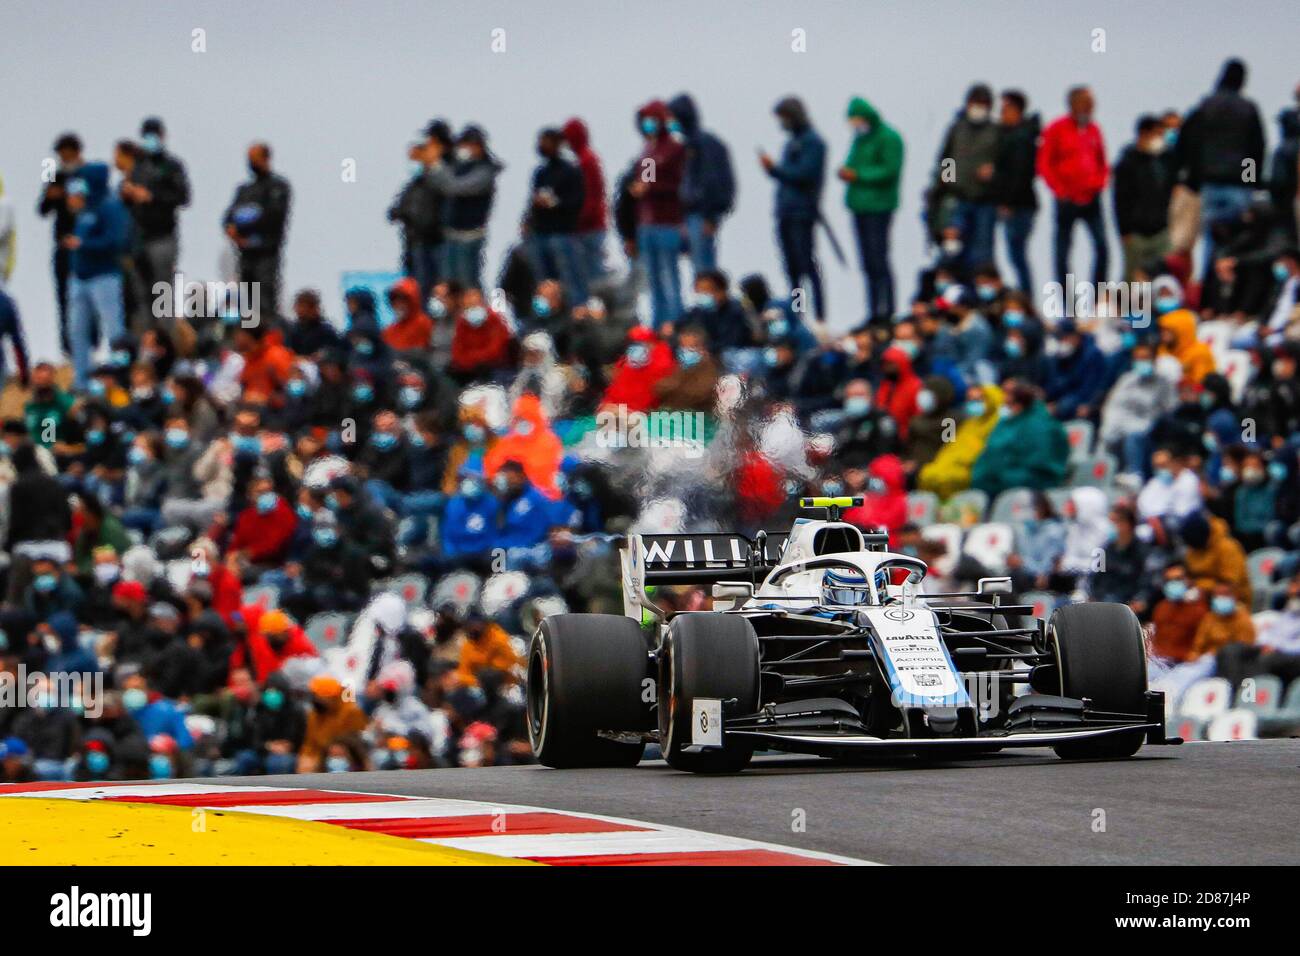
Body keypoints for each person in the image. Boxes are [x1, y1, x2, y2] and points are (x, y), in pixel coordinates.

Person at [1177, 58, 1267, 279]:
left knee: (1211, 238)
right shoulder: (1248, 109)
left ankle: (1210, 287)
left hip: (1211, 182)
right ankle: (1233, 289)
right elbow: (1255, 148)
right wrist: (1250, 180)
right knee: (1239, 238)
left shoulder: (1205, 106)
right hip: (1238, 183)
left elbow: (1189, 143)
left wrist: (1194, 177)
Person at [62, 162, 131, 388]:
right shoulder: (85, 208)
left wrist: (84, 244)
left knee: (114, 331)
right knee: (77, 331)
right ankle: (81, 380)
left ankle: (120, 377)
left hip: (104, 277)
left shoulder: (110, 206)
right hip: (80, 277)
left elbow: (116, 241)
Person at [117, 118, 190, 323]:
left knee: (162, 292)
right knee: (140, 294)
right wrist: (127, 193)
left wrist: (152, 196)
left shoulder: (172, 166)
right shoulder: (138, 167)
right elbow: (123, 197)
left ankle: (166, 339)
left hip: (163, 237)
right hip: (138, 238)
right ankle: (147, 341)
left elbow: (183, 197)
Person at [761, 96, 827, 321]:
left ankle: (819, 315)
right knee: (792, 269)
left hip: (802, 211)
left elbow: (805, 174)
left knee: (806, 264)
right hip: (786, 211)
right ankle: (799, 312)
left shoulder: (813, 142)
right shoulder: (791, 143)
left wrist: (776, 170)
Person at [839, 96, 904, 323]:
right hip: (859, 206)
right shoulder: (860, 139)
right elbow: (852, 163)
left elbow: (889, 170)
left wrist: (859, 175)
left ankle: (887, 309)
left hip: (879, 207)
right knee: (866, 262)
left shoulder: (889, 138)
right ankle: (873, 311)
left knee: (879, 260)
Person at [1038, 86, 1109, 289]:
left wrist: (1099, 183)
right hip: (1066, 200)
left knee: (1102, 248)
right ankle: (1068, 304)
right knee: (1062, 253)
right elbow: (1044, 164)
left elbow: (1102, 162)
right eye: (1086, 104)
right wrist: (1060, 191)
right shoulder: (1056, 129)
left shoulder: (1094, 130)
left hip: (1091, 199)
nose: (1090, 108)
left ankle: (1098, 297)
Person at [630, 102, 687, 330]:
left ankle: (675, 322)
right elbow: (648, 181)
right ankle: (657, 323)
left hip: (668, 222)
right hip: (647, 223)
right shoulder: (648, 151)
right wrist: (642, 188)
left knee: (669, 276)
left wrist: (650, 188)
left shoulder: (674, 149)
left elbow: (678, 184)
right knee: (652, 279)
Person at [933, 84, 1001, 272]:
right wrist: (948, 182)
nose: (978, 108)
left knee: (982, 254)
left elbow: (1004, 163)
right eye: (975, 102)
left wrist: (993, 173)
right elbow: (946, 157)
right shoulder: (957, 128)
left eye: (983, 103)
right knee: (951, 250)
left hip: (985, 200)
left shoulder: (996, 131)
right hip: (957, 198)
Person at [667, 93, 736, 274]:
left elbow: (710, 182)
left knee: (703, 271)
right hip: (690, 216)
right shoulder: (688, 145)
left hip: (700, 215)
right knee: (699, 267)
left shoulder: (701, 144)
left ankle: (709, 301)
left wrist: (710, 217)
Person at [222, 142, 291, 322]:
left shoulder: (278, 187)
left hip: (266, 253)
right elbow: (228, 217)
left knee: (265, 300)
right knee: (249, 300)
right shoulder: (244, 190)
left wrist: (246, 223)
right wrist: (233, 231)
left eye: (255, 158)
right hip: (246, 255)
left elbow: (274, 216)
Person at [430, 125, 503, 289]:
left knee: (467, 282)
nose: (465, 149)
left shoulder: (485, 171)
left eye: (470, 145)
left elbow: (455, 187)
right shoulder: (458, 167)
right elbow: (438, 185)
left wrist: (437, 166)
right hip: (451, 233)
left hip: (470, 235)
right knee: (447, 283)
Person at [970, 381, 1069, 498]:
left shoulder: (1043, 427)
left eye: (1008, 400)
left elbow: (1042, 467)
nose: (1004, 404)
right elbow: (990, 453)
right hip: (993, 482)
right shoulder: (1005, 422)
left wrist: (1002, 476)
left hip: (1025, 486)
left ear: (1018, 403)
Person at [525, 127, 587, 305]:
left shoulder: (574, 169)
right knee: (545, 284)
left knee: (570, 280)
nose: (542, 146)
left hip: (563, 233)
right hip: (541, 232)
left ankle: (577, 314)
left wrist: (555, 203)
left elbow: (580, 201)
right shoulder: (541, 172)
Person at [37, 132, 84, 354]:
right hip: (61, 246)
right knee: (63, 298)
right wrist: (50, 194)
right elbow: (42, 210)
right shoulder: (54, 175)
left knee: (84, 299)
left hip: (85, 246)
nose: (62, 157)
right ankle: (68, 347)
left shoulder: (87, 175)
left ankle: (87, 344)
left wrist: (67, 195)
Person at [1113, 115, 1174, 281]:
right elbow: (1119, 200)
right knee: (1133, 281)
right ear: (1143, 134)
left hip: (1162, 231)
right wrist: (1124, 231)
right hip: (1136, 234)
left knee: (1164, 279)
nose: (1160, 139)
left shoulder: (1165, 161)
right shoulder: (1127, 163)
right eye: (1157, 134)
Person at [992, 90, 1040, 291]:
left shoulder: (1021, 138)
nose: (1001, 113)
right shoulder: (960, 132)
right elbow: (948, 161)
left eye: (1005, 109)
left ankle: (1024, 298)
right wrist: (948, 184)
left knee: (1016, 255)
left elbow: (1021, 173)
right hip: (983, 201)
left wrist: (1007, 202)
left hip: (1016, 205)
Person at [388, 136, 445, 299]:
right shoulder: (412, 186)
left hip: (430, 244)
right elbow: (395, 210)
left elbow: (429, 215)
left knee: (426, 289)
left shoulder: (435, 183)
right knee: (413, 288)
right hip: (412, 244)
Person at [560, 118, 608, 283]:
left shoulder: (587, 161)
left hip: (590, 226)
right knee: (590, 270)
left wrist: (579, 219)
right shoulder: (583, 160)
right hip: (589, 225)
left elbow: (592, 194)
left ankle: (600, 305)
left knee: (593, 273)